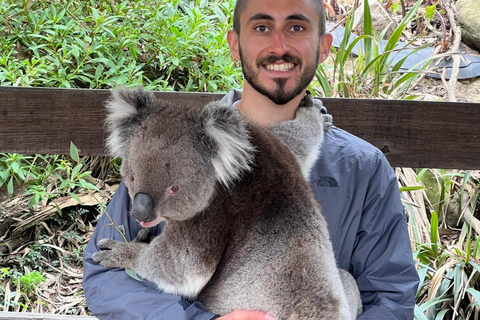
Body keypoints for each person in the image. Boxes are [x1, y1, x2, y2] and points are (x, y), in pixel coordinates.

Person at [83, 0, 419, 319]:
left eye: (297, 27)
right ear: (234, 45)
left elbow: (391, 295)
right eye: (261, 27)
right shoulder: (167, 146)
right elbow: (105, 274)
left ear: (324, 46)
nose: (279, 46)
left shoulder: (363, 167)